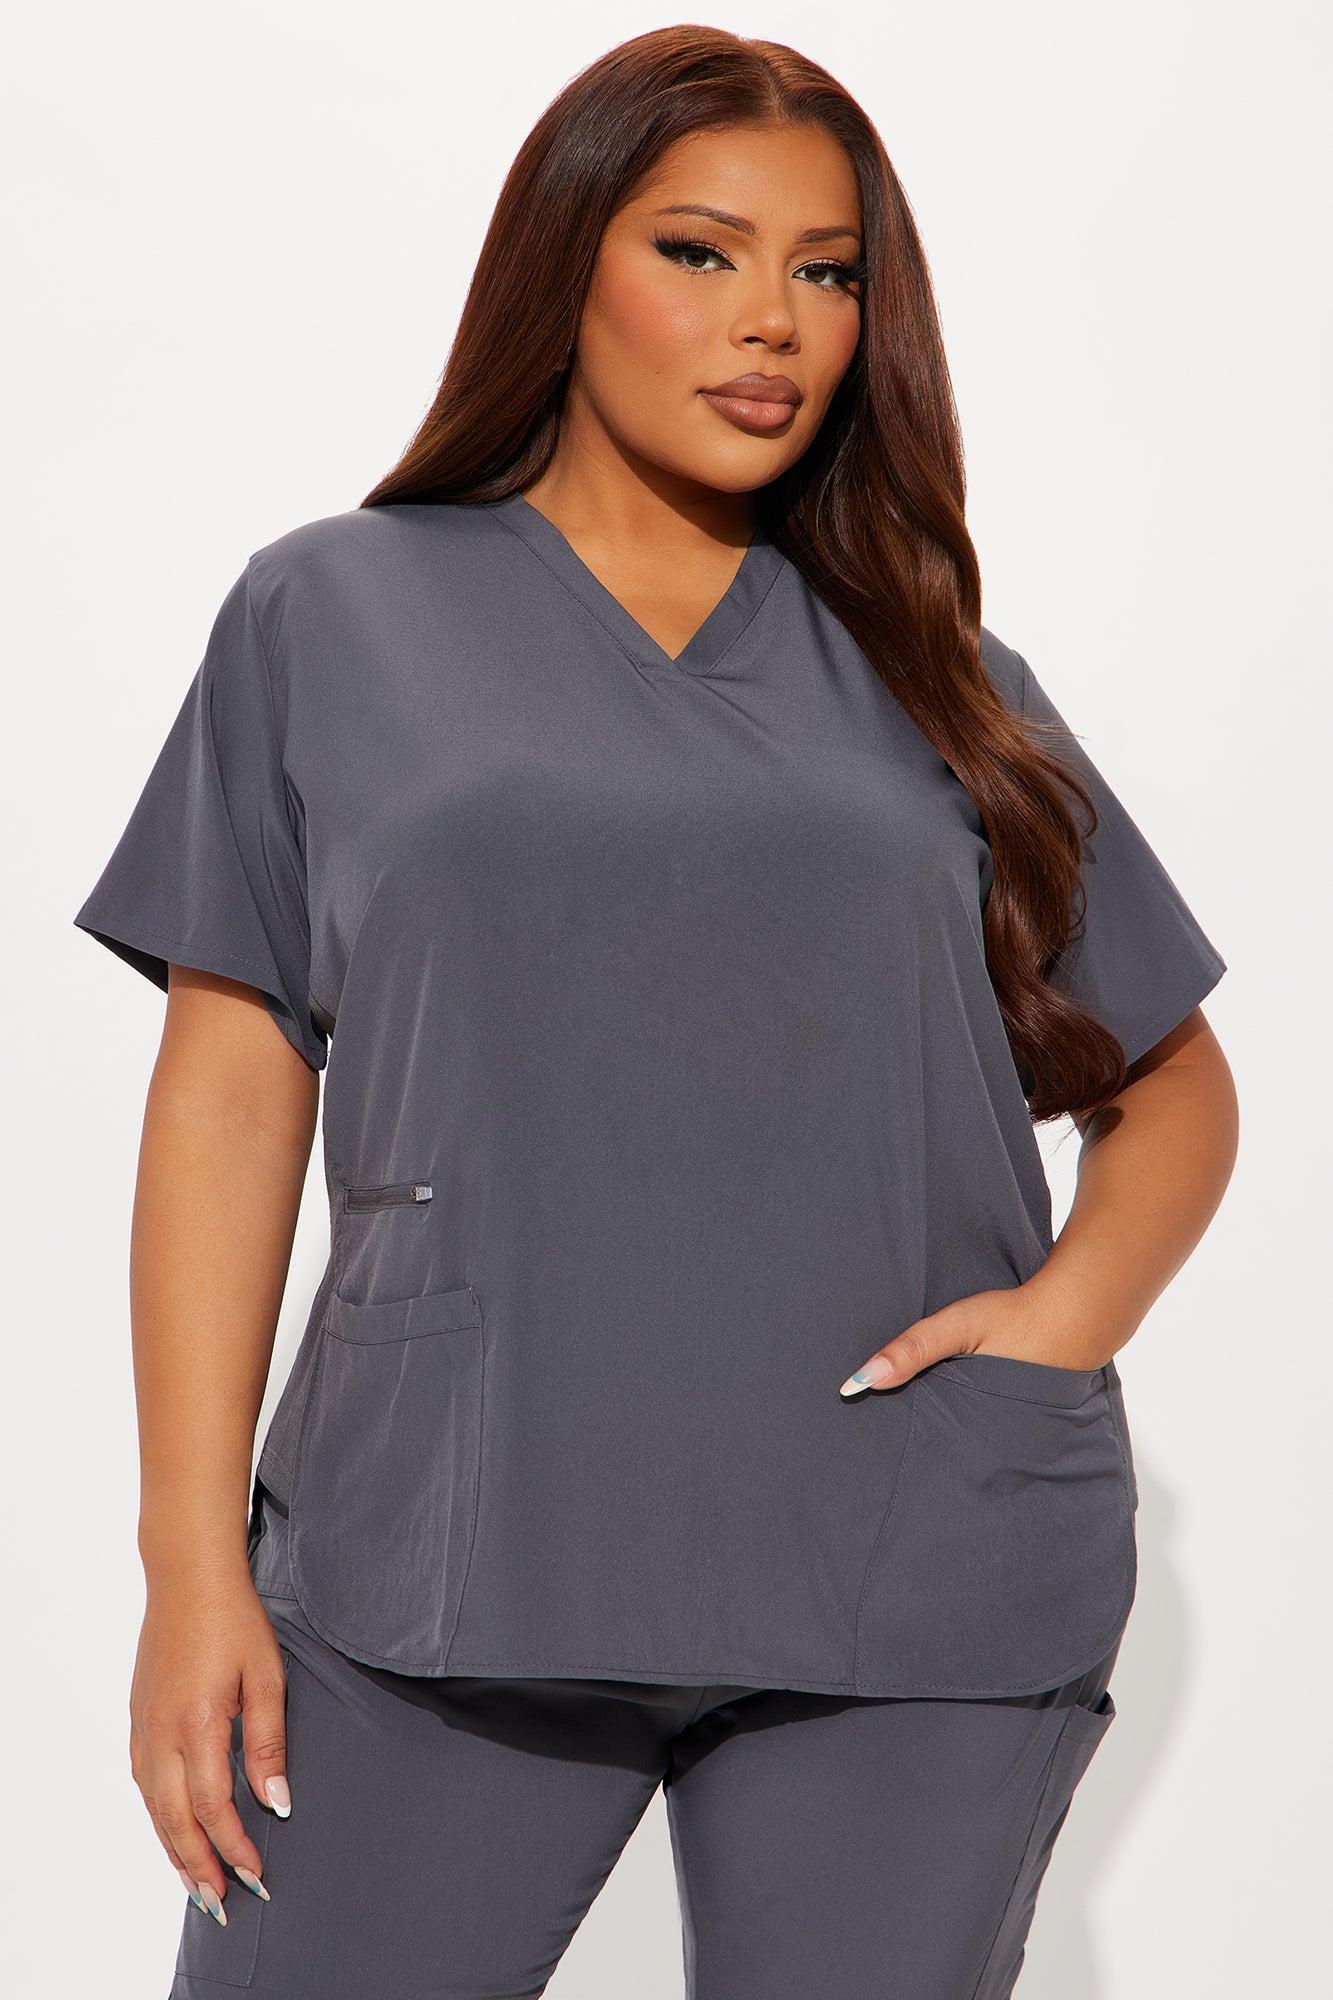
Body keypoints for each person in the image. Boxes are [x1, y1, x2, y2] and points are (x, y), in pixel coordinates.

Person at [72, 25, 1238, 1999]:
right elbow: (231, 1087)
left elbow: (1172, 1078)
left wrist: (1061, 1325)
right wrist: (189, 1560)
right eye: (699, 251)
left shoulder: (942, 678)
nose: (771, 320)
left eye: (826, 270)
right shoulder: (330, 611)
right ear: (566, 265)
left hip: (911, 1566)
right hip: (440, 1544)